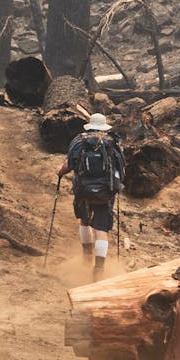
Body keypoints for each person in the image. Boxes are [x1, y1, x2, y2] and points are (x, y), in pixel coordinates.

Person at [58, 112, 125, 281]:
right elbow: (121, 167)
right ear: (104, 126)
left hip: (83, 190)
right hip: (105, 191)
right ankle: (99, 269)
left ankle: (86, 257)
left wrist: (60, 172)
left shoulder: (79, 141)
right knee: (101, 229)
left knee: (84, 220)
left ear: (90, 125)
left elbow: (70, 164)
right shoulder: (113, 142)